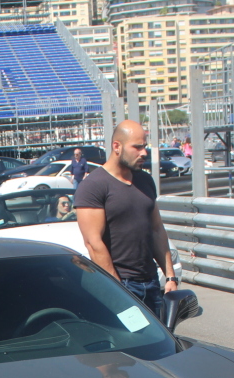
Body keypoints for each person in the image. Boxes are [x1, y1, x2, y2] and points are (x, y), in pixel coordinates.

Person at [75, 120, 177, 319]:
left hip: (151, 282)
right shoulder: (94, 186)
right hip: (121, 284)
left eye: (144, 146)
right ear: (117, 147)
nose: (144, 153)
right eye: (137, 147)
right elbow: (93, 243)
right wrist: (118, 291)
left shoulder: (145, 180)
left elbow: (156, 229)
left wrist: (170, 276)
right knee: (131, 343)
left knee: (157, 345)